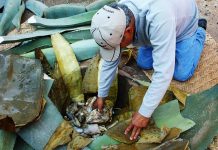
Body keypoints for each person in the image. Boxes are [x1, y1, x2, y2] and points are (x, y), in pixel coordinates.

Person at [90, 0, 207, 140]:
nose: (117, 51)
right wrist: (101, 94)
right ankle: (159, 39)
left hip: (184, 23)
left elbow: (164, 73)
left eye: (118, 46)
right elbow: (110, 61)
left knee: (181, 73)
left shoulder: (159, 18)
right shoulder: (117, 14)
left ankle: (199, 32)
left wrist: (144, 113)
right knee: (143, 63)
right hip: (157, 26)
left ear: (128, 31)